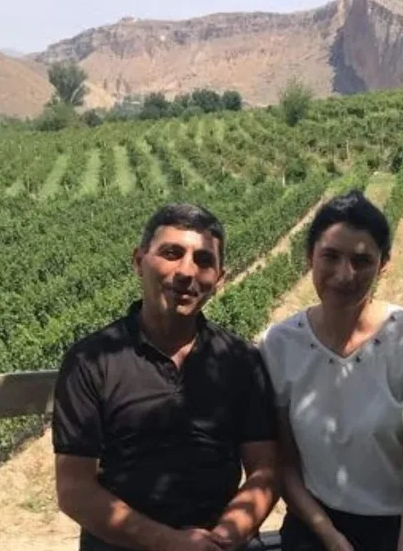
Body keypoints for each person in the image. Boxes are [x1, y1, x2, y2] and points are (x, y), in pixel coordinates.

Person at [52, 202, 280, 551]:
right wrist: (169, 543)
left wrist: (224, 538)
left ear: (219, 278)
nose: (187, 271)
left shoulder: (239, 360)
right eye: (171, 253)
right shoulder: (92, 361)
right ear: (138, 260)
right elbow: (74, 491)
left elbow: (265, 469)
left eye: (204, 260)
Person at [256, 190, 403, 551]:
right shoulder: (280, 345)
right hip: (320, 518)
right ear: (309, 257)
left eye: (362, 260)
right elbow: (286, 466)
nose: (344, 274)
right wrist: (331, 537)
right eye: (330, 257)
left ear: (384, 264)